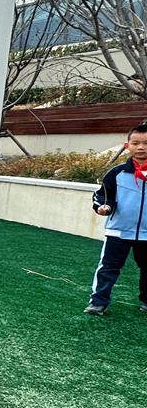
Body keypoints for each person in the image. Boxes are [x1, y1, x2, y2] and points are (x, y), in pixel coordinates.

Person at [84, 122, 147, 316]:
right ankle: (98, 302)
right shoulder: (116, 173)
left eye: (146, 143)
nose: (141, 147)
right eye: (135, 143)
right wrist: (103, 207)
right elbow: (103, 195)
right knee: (108, 268)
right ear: (127, 146)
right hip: (118, 231)